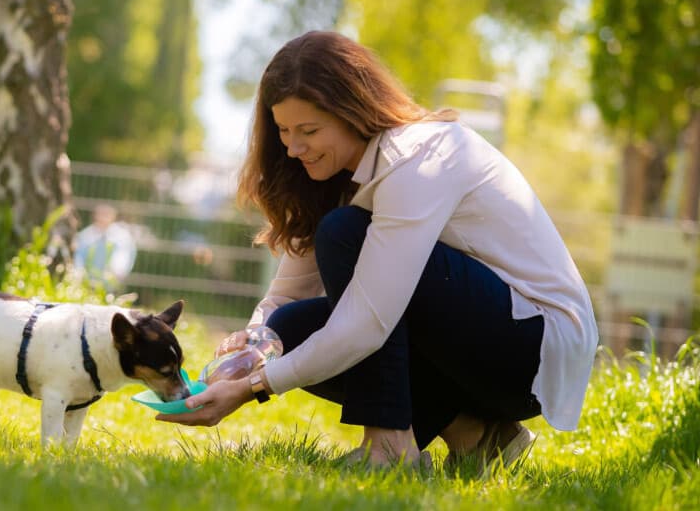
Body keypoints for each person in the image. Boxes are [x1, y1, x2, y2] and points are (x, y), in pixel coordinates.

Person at [157, 31, 598, 470]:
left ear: (352, 113)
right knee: (286, 328)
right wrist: (250, 348)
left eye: (309, 130)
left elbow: (366, 325)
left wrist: (254, 386)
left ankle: (389, 448)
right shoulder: (332, 173)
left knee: (344, 233)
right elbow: (286, 294)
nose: (293, 148)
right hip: (475, 342)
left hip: (532, 348)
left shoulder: (416, 159)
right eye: (285, 131)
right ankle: (480, 438)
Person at [73, 204, 137, 291]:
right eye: (101, 215)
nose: (103, 218)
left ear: (113, 217)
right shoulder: (85, 236)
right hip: (87, 281)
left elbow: (122, 258)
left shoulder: (122, 237)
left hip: (111, 282)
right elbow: (78, 256)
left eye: (106, 215)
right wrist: (79, 273)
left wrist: (115, 273)